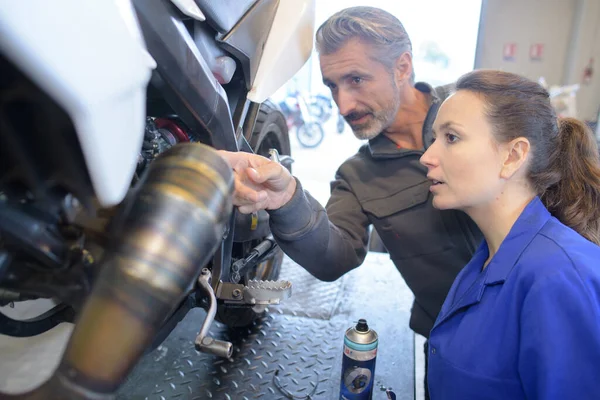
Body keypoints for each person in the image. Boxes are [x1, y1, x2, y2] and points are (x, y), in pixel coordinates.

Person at [219, 7, 482, 397]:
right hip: (457, 347)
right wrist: (287, 198)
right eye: (331, 86)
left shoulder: (477, 111)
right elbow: (333, 256)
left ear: (402, 66)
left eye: (356, 79)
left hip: (544, 317)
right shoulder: (357, 176)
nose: (343, 106)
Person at [420, 69, 600, 399]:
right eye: (434, 138)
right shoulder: (489, 257)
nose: (427, 157)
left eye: (451, 138)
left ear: (513, 156)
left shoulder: (558, 280)